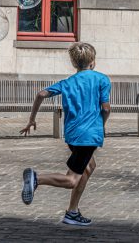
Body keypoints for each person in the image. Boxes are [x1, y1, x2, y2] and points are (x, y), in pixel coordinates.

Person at [19, 42, 111, 226]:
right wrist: (102, 125)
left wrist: (31, 120)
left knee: (88, 166)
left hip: (72, 135)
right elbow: (106, 108)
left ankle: (72, 212)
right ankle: (36, 179)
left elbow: (40, 94)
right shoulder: (102, 79)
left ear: (73, 62)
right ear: (92, 61)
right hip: (89, 136)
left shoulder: (67, 82)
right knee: (71, 179)